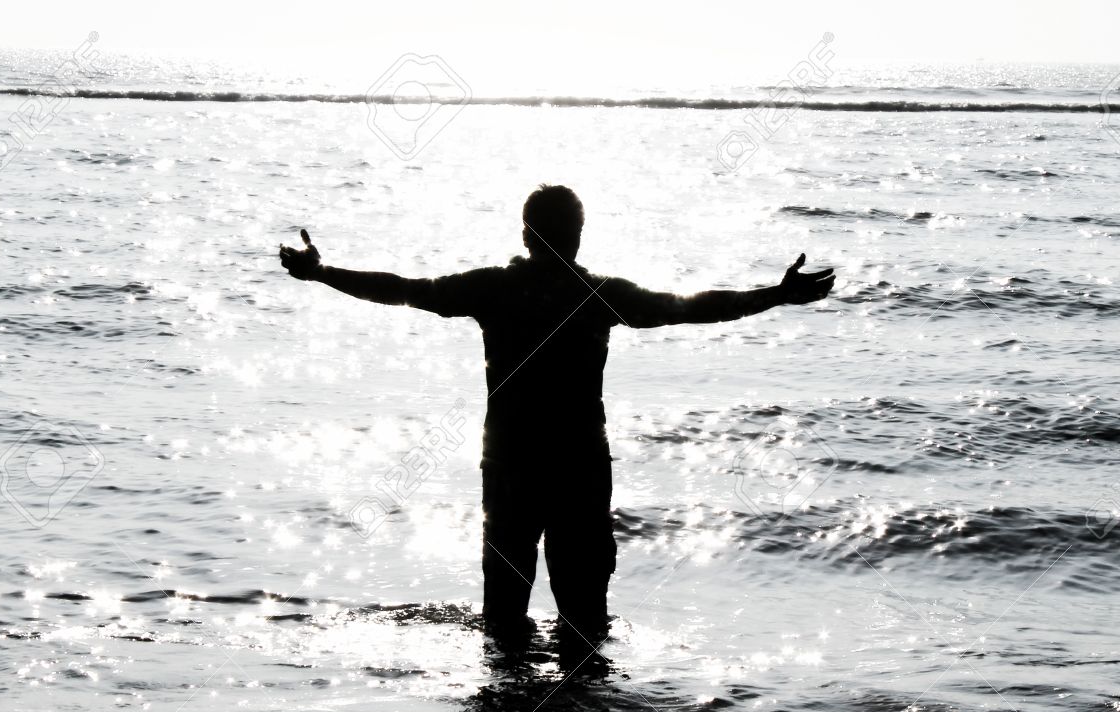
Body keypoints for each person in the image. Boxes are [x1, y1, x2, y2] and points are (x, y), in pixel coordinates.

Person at [278, 184, 834, 664]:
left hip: (510, 464)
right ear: (579, 234)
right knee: (585, 619)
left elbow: (402, 289)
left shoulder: (493, 288)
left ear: (526, 234)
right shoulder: (599, 295)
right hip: (579, 467)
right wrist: (776, 296)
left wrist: (323, 273)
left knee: (503, 616)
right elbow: (692, 306)